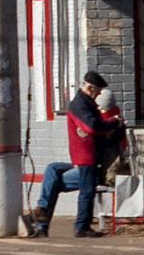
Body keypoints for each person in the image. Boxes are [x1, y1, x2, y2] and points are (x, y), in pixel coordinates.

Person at [30, 71, 122, 238]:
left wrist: (110, 123)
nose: (99, 94)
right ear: (90, 87)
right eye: (98, 91)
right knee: (57, 172)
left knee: (55, 179)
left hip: (88, 160)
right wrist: (113, 122)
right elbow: (92, 127)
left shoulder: (88, 106)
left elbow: (94, 128)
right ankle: (77, 226)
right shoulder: (81, 105)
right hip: (85, 158)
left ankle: (44, 219)